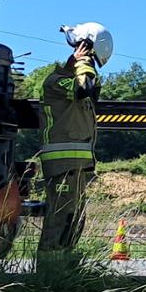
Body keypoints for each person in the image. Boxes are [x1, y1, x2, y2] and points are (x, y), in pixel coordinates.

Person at [39, 22, 111, 263]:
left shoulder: (77, 77)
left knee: (73, 220)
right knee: (60, 218)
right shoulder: (55, 82)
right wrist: (82, 62)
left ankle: (64, 268)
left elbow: (93, 88)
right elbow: (84, 89)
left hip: (75, 167)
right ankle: (49, 273)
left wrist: (83, 64)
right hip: (62, 166)